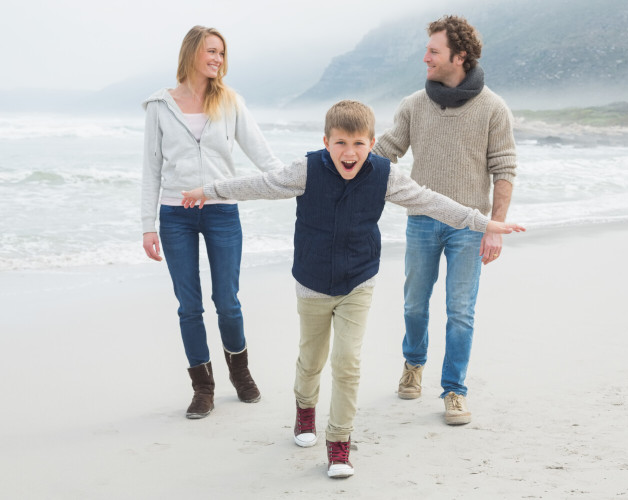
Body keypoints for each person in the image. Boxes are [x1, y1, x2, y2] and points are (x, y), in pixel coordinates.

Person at [181, 100, 524, 477]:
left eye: (359, 144)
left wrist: (482, 222)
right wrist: (208, 190)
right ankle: (305, 412)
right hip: (311, 281)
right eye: (341, 142)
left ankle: (339, 444)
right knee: (311, 360)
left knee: (347, 362)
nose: (350, 152)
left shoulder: (384, 174)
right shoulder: (307, 170)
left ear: (372, 143)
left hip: (358, 280)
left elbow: (429, 200)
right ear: (326, 141)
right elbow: (261, 184)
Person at [371, 15, 518, 425]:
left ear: (460, 56)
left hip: (470, 227)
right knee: (415, 304)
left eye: (433, 52)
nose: (425, 58)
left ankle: (454, 390)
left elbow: (504, 168)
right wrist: (341, 156)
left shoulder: (493, 107)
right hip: (421, 221)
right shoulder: (413, 105)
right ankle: (413, 364)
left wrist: (496, 230)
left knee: (460, 311)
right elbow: (386, 152)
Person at [141, 26, 285, 420]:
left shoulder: (230, 101)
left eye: (222, 53)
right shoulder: (158, 105)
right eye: (211, 51)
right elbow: (151, 170)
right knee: (189, 306)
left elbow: (263, 156)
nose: (218, 59)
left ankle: (241, 374)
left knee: (227, 302)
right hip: (175, 216)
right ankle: (202, 388)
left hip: (222, 211)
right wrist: (147, 226)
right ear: (191, 53)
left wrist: (301, 180)